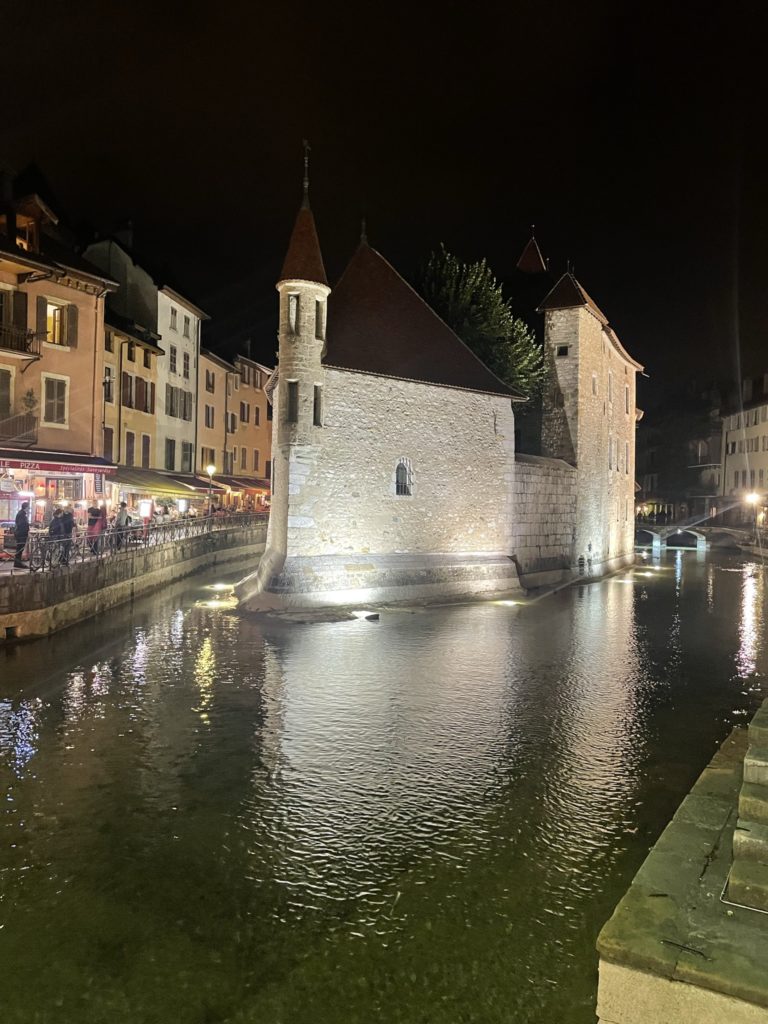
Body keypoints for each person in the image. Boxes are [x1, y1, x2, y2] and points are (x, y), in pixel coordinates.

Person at [14, 500, 30, 568]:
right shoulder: (21, 514)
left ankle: (18, 562)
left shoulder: (22, 514)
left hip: (21, 534)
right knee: (20, 549)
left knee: (20, 549)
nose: (29, 509)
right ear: (26, 507)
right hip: (21, 535)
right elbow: (21, 525)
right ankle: (17, 563)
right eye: (28, 508)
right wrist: (27, 528)